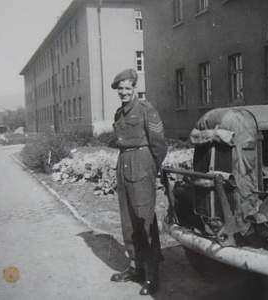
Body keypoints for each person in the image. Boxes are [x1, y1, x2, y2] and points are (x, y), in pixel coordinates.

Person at [109, 68, 167, 295]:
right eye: (120, 89)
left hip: (142, 164)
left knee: (144, 220)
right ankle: (135, 267)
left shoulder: (146, 110)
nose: (123, 92)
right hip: (123, 164)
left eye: (127, 88)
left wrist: (152, 168)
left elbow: (159, 144)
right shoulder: (119, 113)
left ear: (135, 89)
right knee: (127, 221)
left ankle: (152, 275)